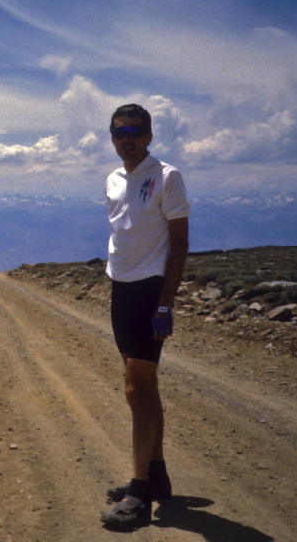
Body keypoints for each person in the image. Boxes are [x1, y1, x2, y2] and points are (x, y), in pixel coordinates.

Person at [99, 103, 191, 530]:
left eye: (135, 131)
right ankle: (156, 475)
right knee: (144, 387)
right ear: (113, 138)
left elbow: (179, 244)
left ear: (149, 136)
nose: (127, 139)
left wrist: (165, 303)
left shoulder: (167, 176)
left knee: (136, 389)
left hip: (150, 291)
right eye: (119, 133)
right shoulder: (114, 179)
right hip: (121, 288)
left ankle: (139, 493)